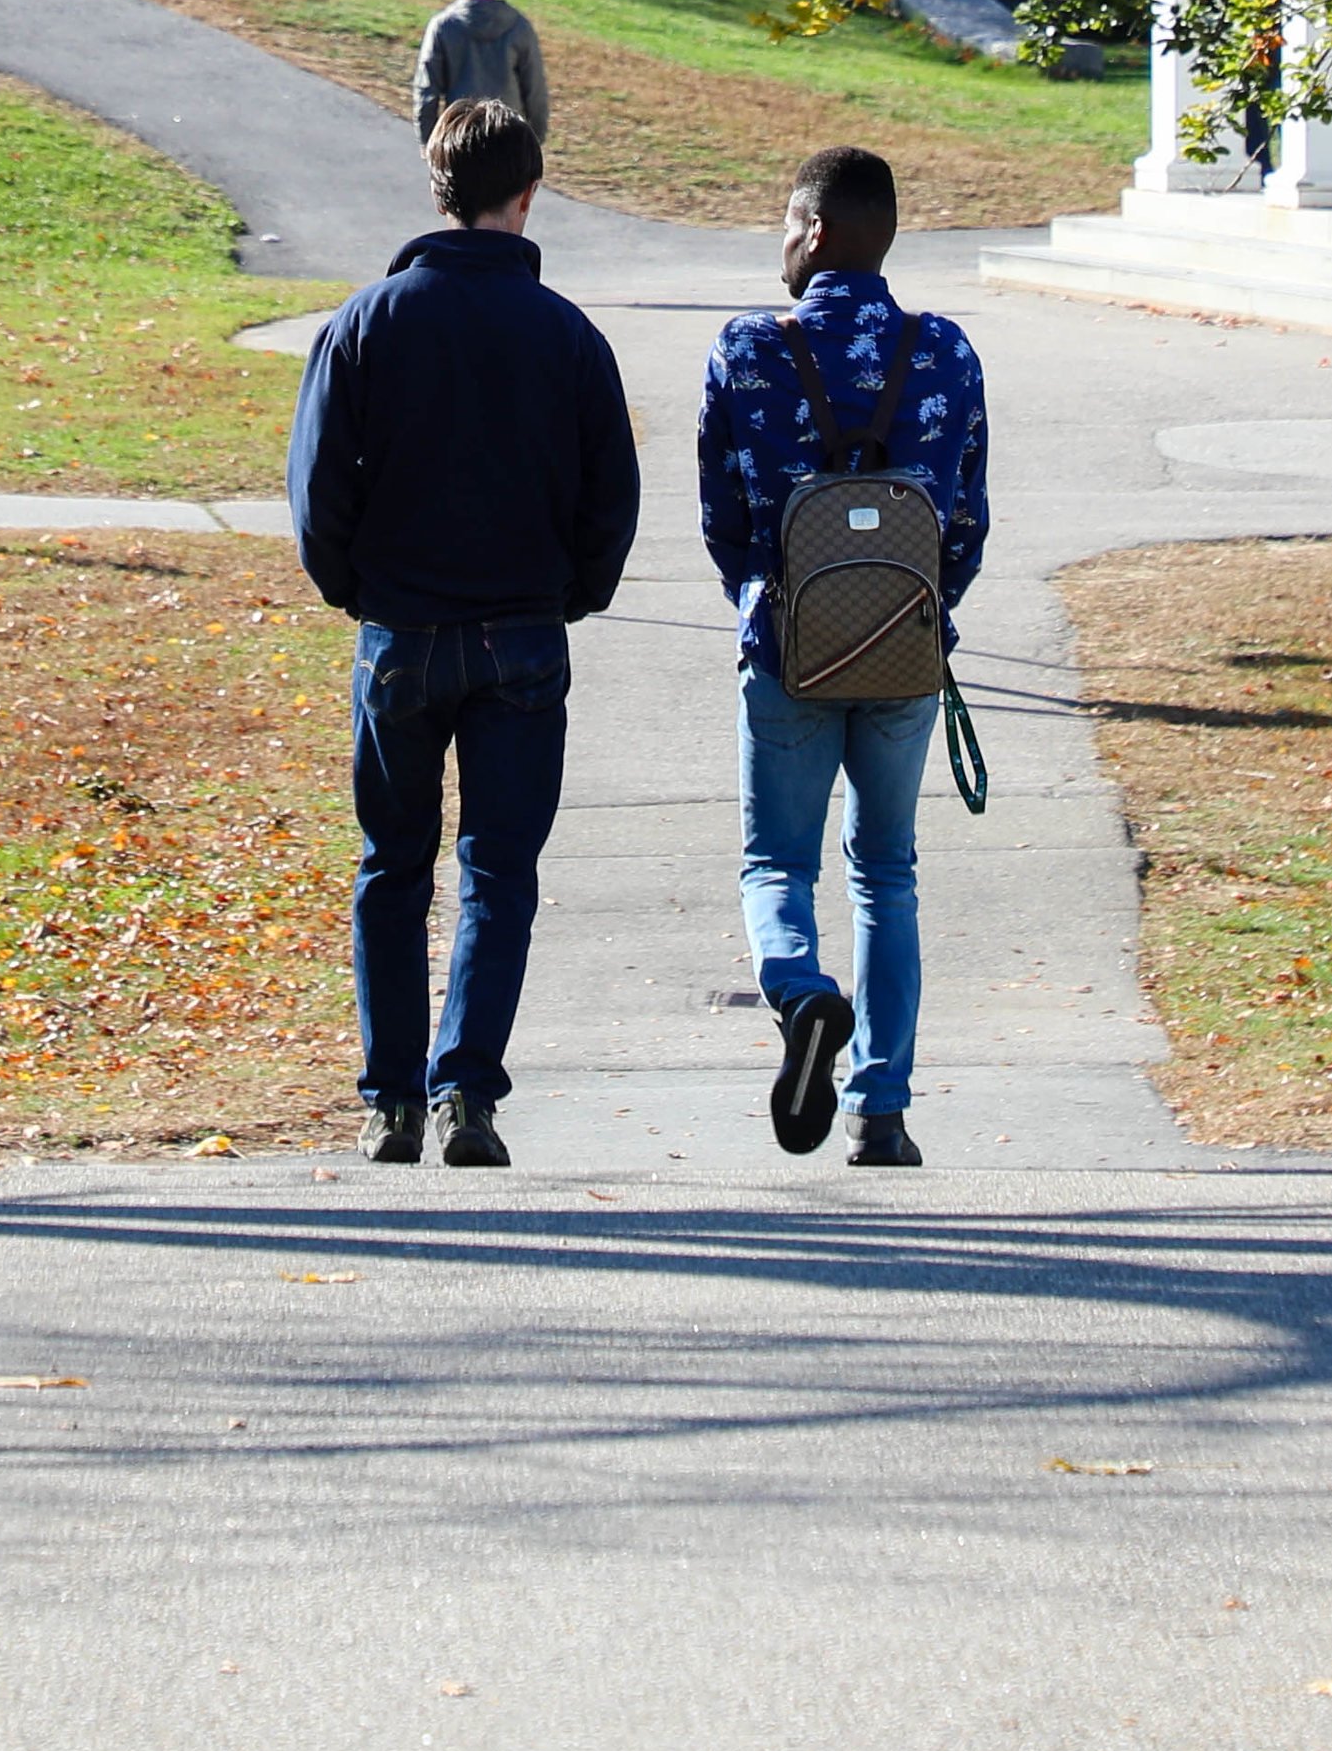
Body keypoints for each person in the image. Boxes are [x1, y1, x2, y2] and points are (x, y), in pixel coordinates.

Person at [288, 97, 639, 1169]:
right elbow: (608, 498)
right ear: (527, 195)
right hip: (522, 631)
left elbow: (316, 497)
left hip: (402, 628)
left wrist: (360, 588)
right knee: (498, 870)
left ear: (435, 188)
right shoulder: (569, 336)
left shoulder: (366, 323)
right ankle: (467, 1093)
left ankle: (388, 1095)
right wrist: (571, 591)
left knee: (392, 863)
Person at [701, 142, 989, 1169]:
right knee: (889, 873)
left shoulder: (745, 348)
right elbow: (967, 520)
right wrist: (922, 613)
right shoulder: (947, 351)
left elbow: (722, 516)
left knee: (778, 859)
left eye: (787, 219)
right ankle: (881, 1109)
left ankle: (802, 991)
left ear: (816, 230)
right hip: (906, 656)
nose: (780, 238)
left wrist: (763, 598)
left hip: (788, 648)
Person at [412, 0, 549, 151]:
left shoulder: (443, 26)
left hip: (460, 137)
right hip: (509, 138)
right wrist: (535, 138)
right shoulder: (518, 25)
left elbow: (427, 89)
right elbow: (535, 88)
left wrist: (429, 142)